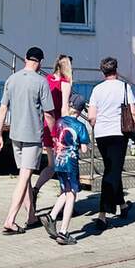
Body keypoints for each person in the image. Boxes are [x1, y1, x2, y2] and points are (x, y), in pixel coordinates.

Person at [0, 46, 56, 234]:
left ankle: (31, 216)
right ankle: (10, 220)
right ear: (40, 62)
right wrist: (55, 135)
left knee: (24, 175)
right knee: (24, 178)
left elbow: (3, 108)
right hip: (32, 136)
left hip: (15, 135)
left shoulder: (11, 79)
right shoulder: (41, 82)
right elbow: (49, 113)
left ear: (25, 59)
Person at [87, 56, 135, 229]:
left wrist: (98, 125)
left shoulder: (97, 89)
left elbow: (92, 117)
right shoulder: (124, 87)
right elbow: (133, 111)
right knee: (112, 172)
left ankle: (122, 205)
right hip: (119, 133)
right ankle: (103, 214)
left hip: (102, 134)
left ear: (103, 71)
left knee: (111, 169)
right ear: (116, 70)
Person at [27, 54, 72, 228]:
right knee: (62, 166)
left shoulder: (46, 80)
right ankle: (64, 201)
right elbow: (64, 108)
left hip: (46, 126)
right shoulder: (65, 83)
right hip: (59, 127)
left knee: (53, 165)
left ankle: (36, 190)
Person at [43, 93, 90, 246]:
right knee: (71, 195)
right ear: (80, 111)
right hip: (71, 163)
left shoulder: (59, 122)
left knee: (65, 191)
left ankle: (51, 216)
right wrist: (81, 145)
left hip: (58, 161)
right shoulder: (80, 126)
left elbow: (55, 138)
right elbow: (84, 149)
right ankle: (63, 232)